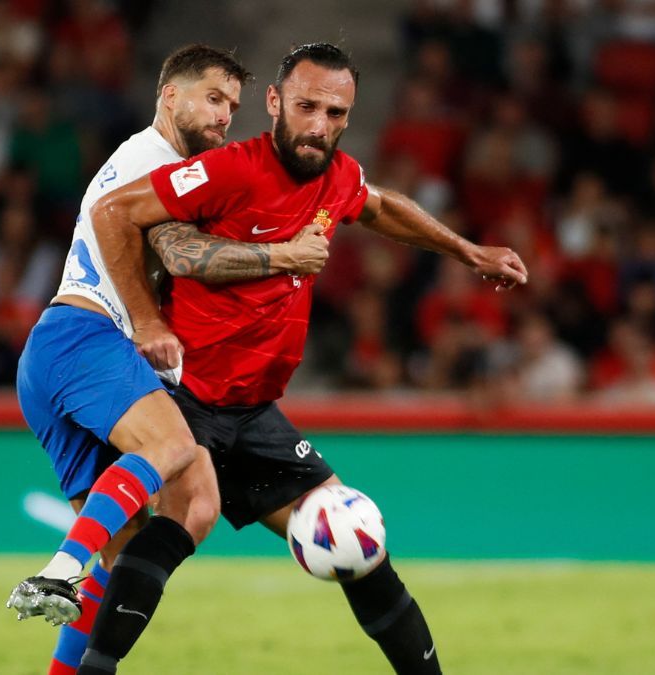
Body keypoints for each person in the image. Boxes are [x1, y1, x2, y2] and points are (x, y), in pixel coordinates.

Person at [71, 43, 528, 675]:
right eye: (307, 106)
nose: (319, 125)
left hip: (255, 414)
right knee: (183, 520)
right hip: (184, 398)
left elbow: (379, 206)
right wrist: (147, 321)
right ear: (275, 102)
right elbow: (116, 212)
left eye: (336, 113)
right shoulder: (229, 169)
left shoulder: (338, 177)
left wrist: (467, 250)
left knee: (360, 544)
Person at [5, 44, 332, 675]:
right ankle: (56, 572)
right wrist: (283, 256)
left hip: (52, 355)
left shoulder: (149, 163)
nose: (223, 118)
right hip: (87, 338)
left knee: (135, 548)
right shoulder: (153, 164)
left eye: (232, 107)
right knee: (175, 448)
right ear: (169, 95)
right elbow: (169, 250)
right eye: (212, 99)